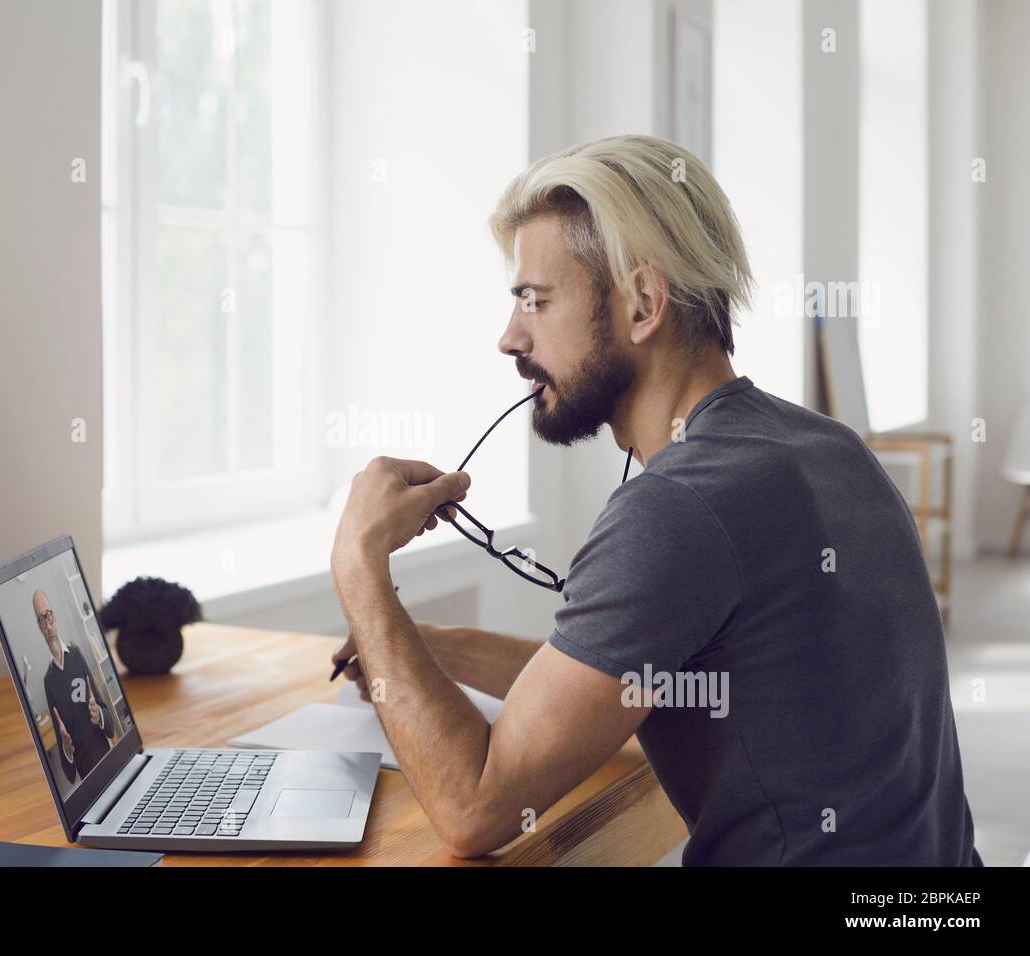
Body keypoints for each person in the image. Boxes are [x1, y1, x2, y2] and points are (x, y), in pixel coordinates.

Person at [328, 134, 980, 865]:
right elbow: (632, 678)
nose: (509, 337)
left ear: (642, 303)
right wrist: (436, 651)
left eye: (535, 302)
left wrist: (358, 561)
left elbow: (475, 809)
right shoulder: (826, 447)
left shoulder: (678, 507)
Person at [34, 590, 114, 786]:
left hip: (104, 754)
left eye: (49, 615)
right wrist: (67, 751)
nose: (48, 624)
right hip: (85, 769)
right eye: (42, 619)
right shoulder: (48, 681)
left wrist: (99, 716)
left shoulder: (76, 654)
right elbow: (69, 775)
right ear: (39, 627)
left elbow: (110, 727)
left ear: (55, 617)